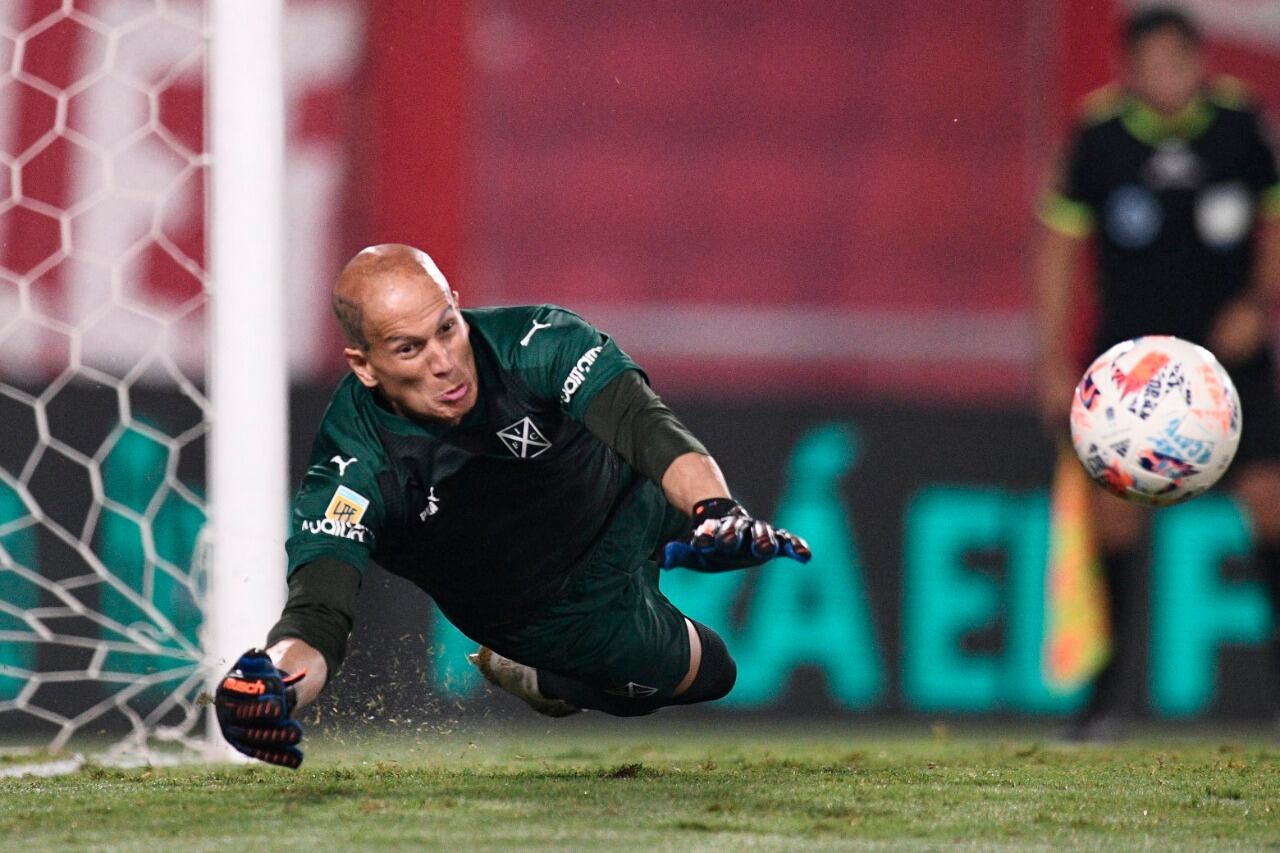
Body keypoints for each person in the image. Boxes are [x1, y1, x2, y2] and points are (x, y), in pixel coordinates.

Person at [212, 243, 811, 767]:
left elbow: (645, 427)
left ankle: (691, 536)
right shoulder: (353, 468)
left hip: (625, 494)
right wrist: (273, 688)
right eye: (408, 349)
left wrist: (716, 509)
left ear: (456, 303)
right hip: (553, 609)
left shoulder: (536, 342)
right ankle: (543, 680)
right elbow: (318, 616)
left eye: (446, 328)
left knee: (739, 545)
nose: (444, 362)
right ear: (364, 367)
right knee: (715, 672)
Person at [1034, 6, 1280, 739]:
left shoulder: (1241, 125)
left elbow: (1275, 223)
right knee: (1112, 516)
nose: (1165, 77)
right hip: (1129, 368)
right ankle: (1102, 699)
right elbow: (1057, 250)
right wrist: (1052, 360)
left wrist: (1258, 303)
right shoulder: (1099, 136)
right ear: (1128, 71)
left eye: (1177, 61)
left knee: (1270, 499)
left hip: (1229, 359)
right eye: (1150, 64)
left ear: (1199, 63)